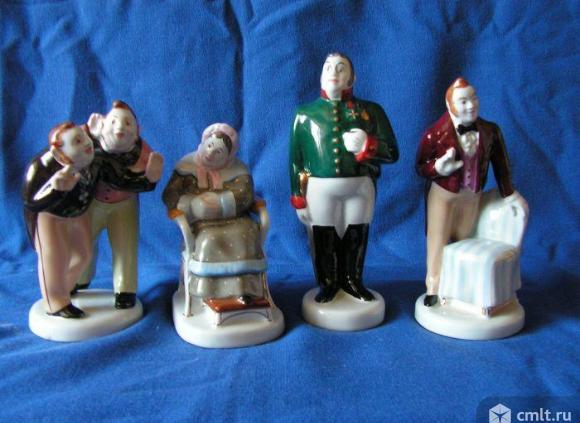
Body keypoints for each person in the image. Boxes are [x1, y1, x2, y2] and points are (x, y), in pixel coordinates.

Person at [289, 52, 398, 303]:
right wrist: (297, 195)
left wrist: (368, 145)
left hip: (360, 185)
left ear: (352, 77)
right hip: (319, 188)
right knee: (323, 235)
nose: (334, 73)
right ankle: (327, 284)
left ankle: (352, 281)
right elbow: (295, 159)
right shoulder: (304, 114)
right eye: (328, 67)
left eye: (341, 68)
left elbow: (392, 152)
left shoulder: (371, 111)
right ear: (320, 75)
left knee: (356, 233)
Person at [415, 77, 517, 307]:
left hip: (472, 196)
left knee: (466, 241)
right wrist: (437, 168)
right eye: (463, 101)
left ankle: (463, 288)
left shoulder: (490, 131)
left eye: (474, 98)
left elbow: (501, 164)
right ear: (449, 104)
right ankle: (433, 286)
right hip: (443, 196)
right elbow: (420, 166)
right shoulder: (434, 134)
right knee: (438, 240)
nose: (471, 105)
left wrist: (508, 193)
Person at [163, 123, 266, 301]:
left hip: (236, 219)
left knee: (247, 234)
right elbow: (170, 193)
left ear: (227, 157)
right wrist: (191, 205)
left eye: (218, 152)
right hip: (201, 222)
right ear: (203, 143)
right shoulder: (186, 166)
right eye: (209, 146)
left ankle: (244, 289)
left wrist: (221, 203)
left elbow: (245, 194)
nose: (210, 153)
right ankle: (208, 290)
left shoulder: (238, 170)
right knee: (208, 240)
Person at [76, 101, 164, 309]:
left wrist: (152, 176)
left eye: (127, 123)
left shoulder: (141, 151)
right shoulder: (90, 143)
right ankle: (78, 278)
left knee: (125, 247)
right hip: (93, 204)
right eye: (114, 121)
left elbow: (150, 178)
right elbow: (71, 145)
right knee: (82, 243)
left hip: (124, 206)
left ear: (137, 131)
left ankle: (125, 290)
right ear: (102, 124)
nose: (120, 127)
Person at [23, 122, 99, 318]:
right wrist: (55, 191)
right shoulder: (41, 167)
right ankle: (55, 302)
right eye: (77, 141)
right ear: (59, 152)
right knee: (54, 259)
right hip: (50, 217)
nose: (86, 143)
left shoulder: (91, 158)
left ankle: (64, 288)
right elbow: (30, 202)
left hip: (77, 213)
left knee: (83, 254)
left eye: (83, 137)